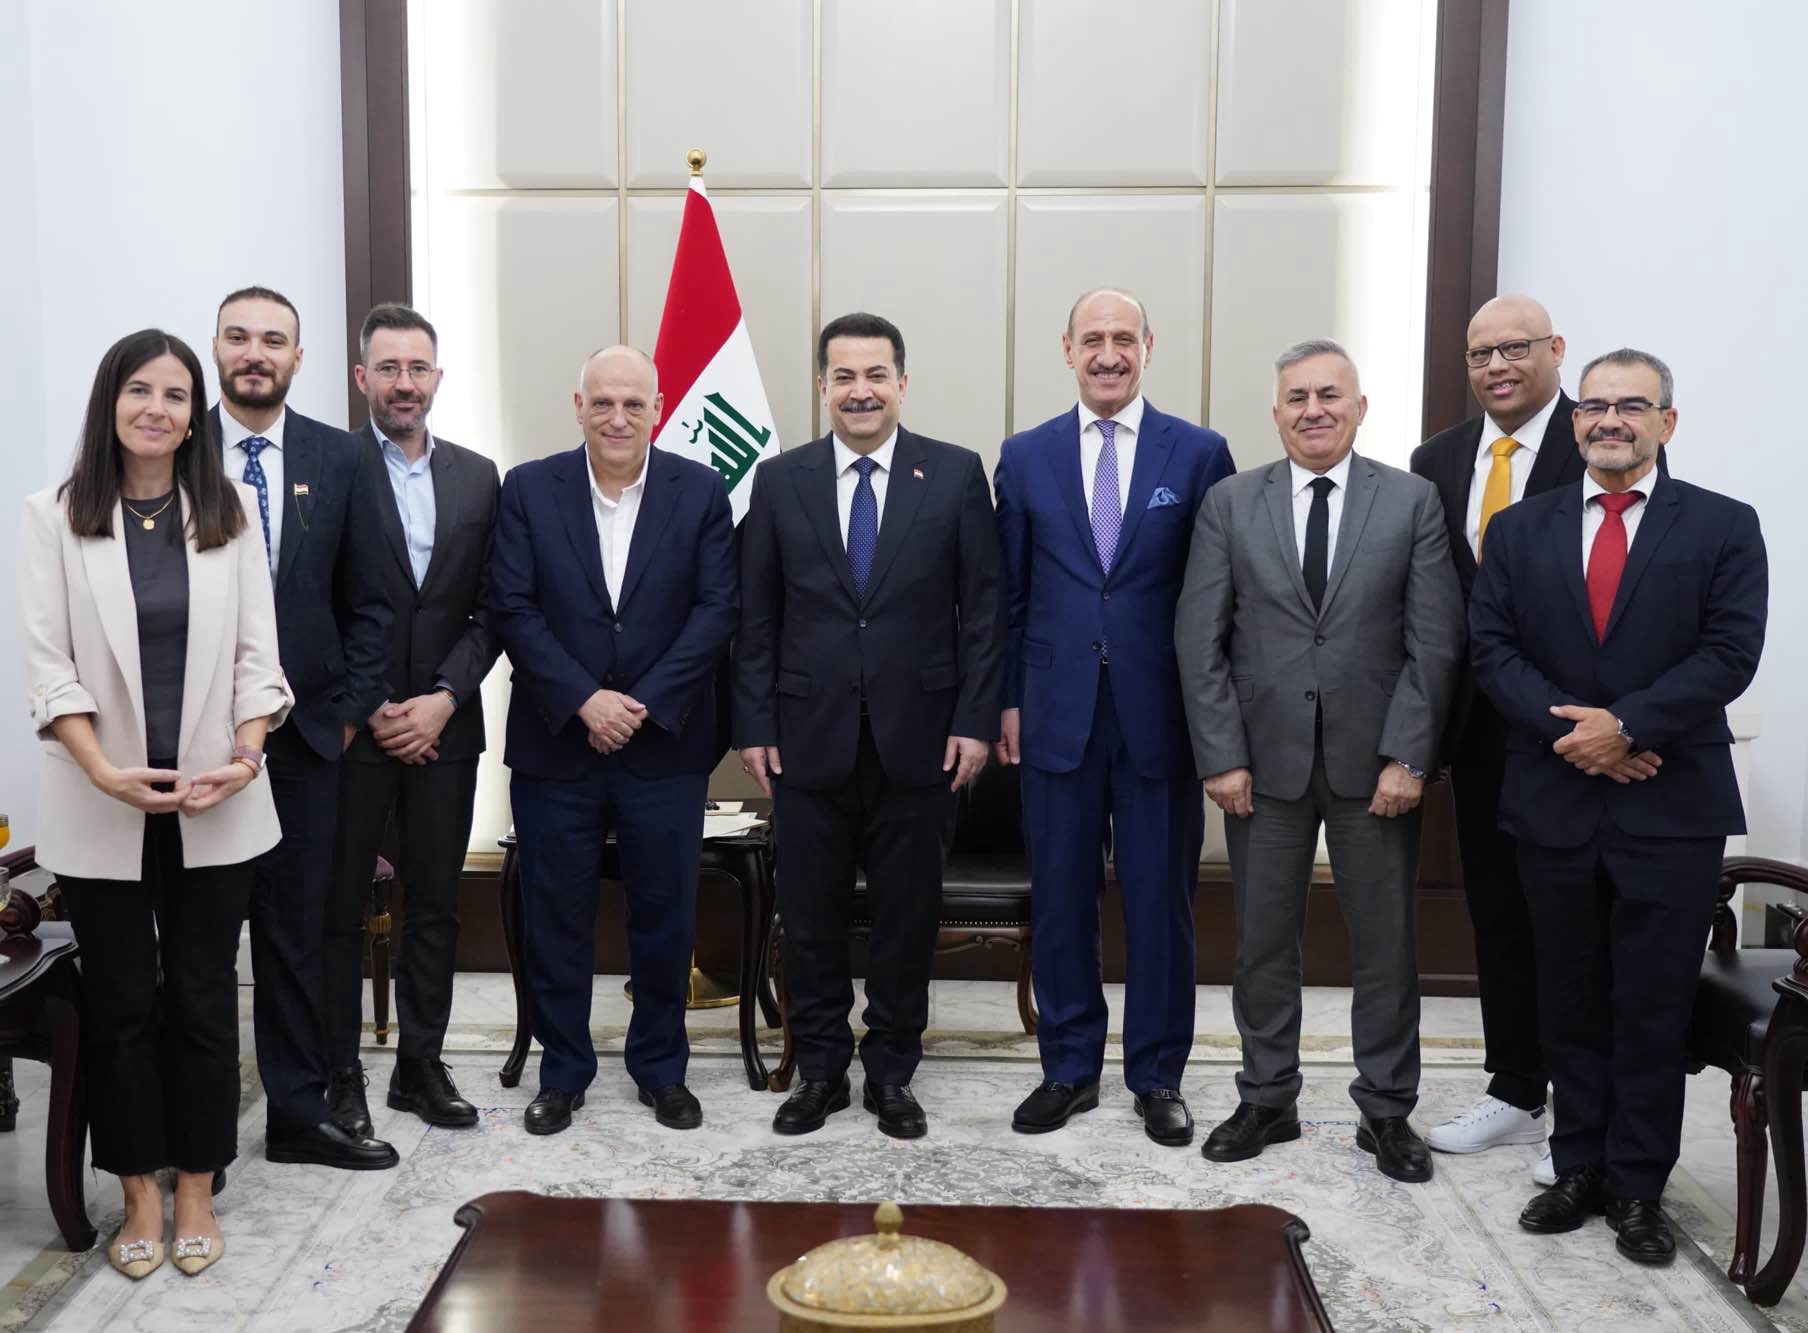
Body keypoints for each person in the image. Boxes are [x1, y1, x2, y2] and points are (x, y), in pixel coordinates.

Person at [1471, 348, 1765, 1264]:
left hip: (1670, 805)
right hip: (1555, 798)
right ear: (1574, 422)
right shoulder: (1519, 529)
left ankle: (1641, 1186)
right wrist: (1582, 737)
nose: (1609, 420)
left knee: (1651, 1002)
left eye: (1631, 406)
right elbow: (1492, 648)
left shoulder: (1723, 525)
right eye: (1594, 406)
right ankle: (1578, 1168)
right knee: (1568, 994)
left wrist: (1630, 727)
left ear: (1666, 423)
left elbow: (1730, 652)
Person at [19, 329, 293, 1278]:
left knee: (208, 999)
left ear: (192, 415)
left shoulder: (227, 514)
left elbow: (262, 663)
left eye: (177, 396)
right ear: (111, 402)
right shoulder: (51, 516)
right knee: (124, 1001)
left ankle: (197, 1185)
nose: (158, 409)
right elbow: (49, 670)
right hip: (103, 804)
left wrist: (246, 756)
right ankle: (138, 1184)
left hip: (215, 799)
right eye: (141, 390)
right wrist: (102, 771)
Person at [1176, 338, 1463, 1182]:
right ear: (1276, 413)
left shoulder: (1411, 502)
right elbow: (1201, 640)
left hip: (1376, 768)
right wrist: (1221, 755)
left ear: (1360, 407)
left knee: (1385, 943)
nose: (1313, 409)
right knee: (1262, 941)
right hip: (1260, 769)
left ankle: (1386, 1110)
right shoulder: (1231, 502)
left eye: (1330, 394)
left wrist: (1409, 756)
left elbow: (1435, 643)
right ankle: (1268, 1096)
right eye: (1296, 396)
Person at [735, 312, 1004, 1140]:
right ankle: (818, 1070)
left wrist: (975, 720)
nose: (861, 390)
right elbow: (757, 616)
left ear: (902, 382)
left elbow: (984, 610)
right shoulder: (780, 482)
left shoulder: (955, 475)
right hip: (805, 739)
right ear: (823, 386)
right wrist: (753, 722)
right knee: (810, 918)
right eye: (844, 376)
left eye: (876, 374)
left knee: (905, 917)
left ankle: (892, 1071)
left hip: (921, 741)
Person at [993, 288, 1235, 1146]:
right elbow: (1009, 598)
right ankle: (1067, 1067)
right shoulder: (1023, 458)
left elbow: (1219, 600)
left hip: (1159, 716)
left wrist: (1218, 724)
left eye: (1122, 338)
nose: (1107, 353)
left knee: (1160, 901)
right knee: (1060, 898)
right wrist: (1009, 701)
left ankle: (1158, 1073)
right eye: (1091, 338)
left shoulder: (1200, 454)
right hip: (1055, 712)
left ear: (1148, 345)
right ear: (1066, 349)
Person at [489, 345, 737, 1135]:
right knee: (555, 915)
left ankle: (662, 1069)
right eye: (603, 403)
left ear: (659, 407)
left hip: (664, 743)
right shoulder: (529, 489)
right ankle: (562, 1072)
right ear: (578, 405)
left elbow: (716, 612)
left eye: (634, 403)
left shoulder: (699, 492)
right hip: (557, 742)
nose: (618, 417)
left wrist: (643, 702)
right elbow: (512, 607)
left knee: (664, 916)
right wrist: (584, 699)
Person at [209, 286, 399, 1170]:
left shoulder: (340, 456)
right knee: (205, 939)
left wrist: (351, 712)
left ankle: (296, 1111)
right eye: (240, 337)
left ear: (298, 357)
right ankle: (198, 1127)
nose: (256, 352)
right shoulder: (173, 450)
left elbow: (372, 601)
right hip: (198, 744)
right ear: (216, 348)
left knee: (294, 933)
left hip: (309, 741)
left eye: (273, 340)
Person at [1410, 295, 1583, 1180]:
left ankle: (1585, 1113)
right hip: (1477, 735)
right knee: (1500, 916)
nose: (1497, 367)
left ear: (1555, 350)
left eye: (1514, 348)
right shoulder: (1436, 458)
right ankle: (1517, 1090)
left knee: (1574, 923)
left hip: (1570, 730)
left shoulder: (1593, 441)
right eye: (1480, 354)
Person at [323, 304, 501, 1134]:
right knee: (338, 907)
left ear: (437, 377)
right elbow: (311, 604)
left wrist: (443, 698)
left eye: (417, 368)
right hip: (351, 732)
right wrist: (368, 707)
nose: (404, 382)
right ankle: (338, 1076)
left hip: (446, 729)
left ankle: (419, 1067)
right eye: (387, 368)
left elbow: (493, 609)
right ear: (362, 377)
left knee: (437, 903)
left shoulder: (478, 475)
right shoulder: (327, 466)